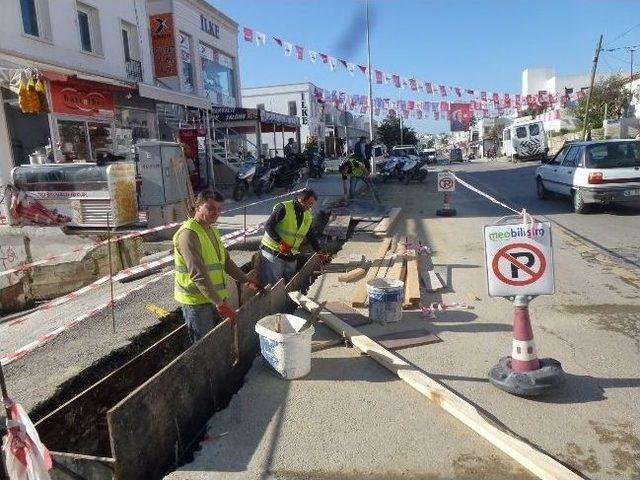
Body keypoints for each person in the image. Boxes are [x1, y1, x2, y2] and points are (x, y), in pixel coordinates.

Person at [174, 190, 260, 343]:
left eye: (219, 209)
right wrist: (220, 304)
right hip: (197, 302)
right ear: (198, 206)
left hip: (214, 298)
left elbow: (225, 261)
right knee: (203, 345)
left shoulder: (212, 228)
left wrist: (245, 279)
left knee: (216, 341)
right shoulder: (188, 234)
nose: (216, 213)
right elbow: (197, 274)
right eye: (211, 208)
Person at [259, 188, 329, 287]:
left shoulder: (307, 215)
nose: (310, 207)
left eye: (312, 204)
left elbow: (311, 235)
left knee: (290, 283)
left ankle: (288, 300)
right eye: (309, 204)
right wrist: (280, 242)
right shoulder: (283, 208)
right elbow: (268, 226)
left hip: (291, 254)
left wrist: (319, 251)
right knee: (274, 285)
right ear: (301, 200)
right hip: (273, 252)